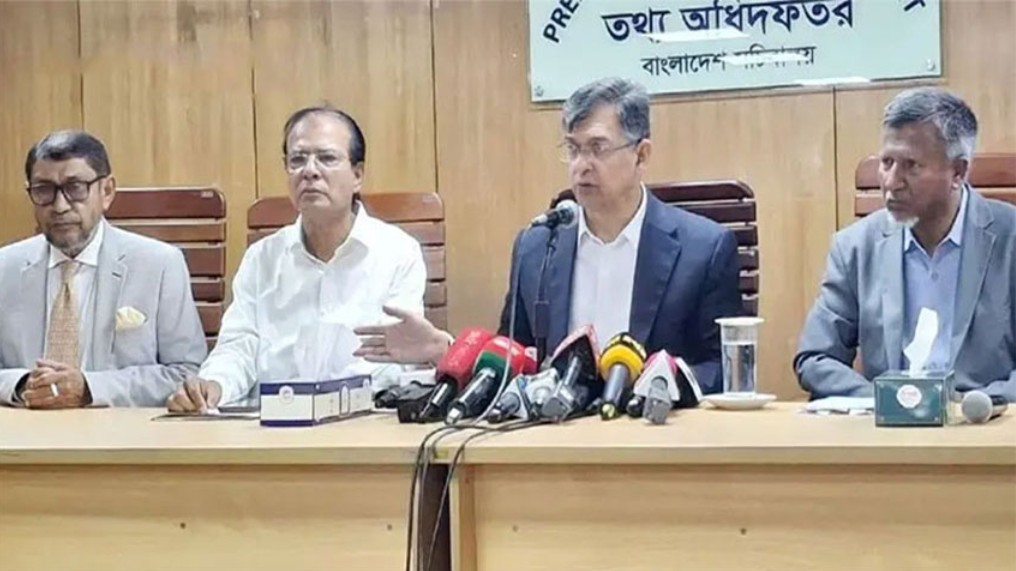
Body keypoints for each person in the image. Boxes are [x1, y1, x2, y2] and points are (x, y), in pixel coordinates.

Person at [356, 78, 743, 393]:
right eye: (573, 150)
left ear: (641, 155)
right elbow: (515, 357)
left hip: (654, 438)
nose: (581, 166)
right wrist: (444, 349)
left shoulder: (703, 248)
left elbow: (722, 368)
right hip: (555, 439)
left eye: (597, 149)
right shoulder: (538, 246)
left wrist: (659, 385)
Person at [167, 106, 426, 412]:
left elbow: (398, 360)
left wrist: (336, 404)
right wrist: (214, 385)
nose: (310, 171)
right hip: (271, 424)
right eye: (298, 160)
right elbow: (239, 347)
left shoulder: (398, 253)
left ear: (357, 175)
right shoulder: (262, 258)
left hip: (362, 420)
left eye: (327, 158)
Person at [795, 87, 1016, 401]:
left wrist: (977, 404)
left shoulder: (1010, 239)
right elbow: (816, 357)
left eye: (911, 165)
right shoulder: (855, 247)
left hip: (985, 421)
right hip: (886, 424)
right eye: (886, 162)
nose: (891, 182)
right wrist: (887, 400)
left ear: (958, 172)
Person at [0, 130, 207, 407]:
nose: (60, 206)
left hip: (118, 428)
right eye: (43, 190)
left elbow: (187, 373)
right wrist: (21, 384)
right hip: (23, 425)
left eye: (75, 188)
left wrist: (89, 388)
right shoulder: (5, 267)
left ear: (106, 191)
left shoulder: (159, 265)